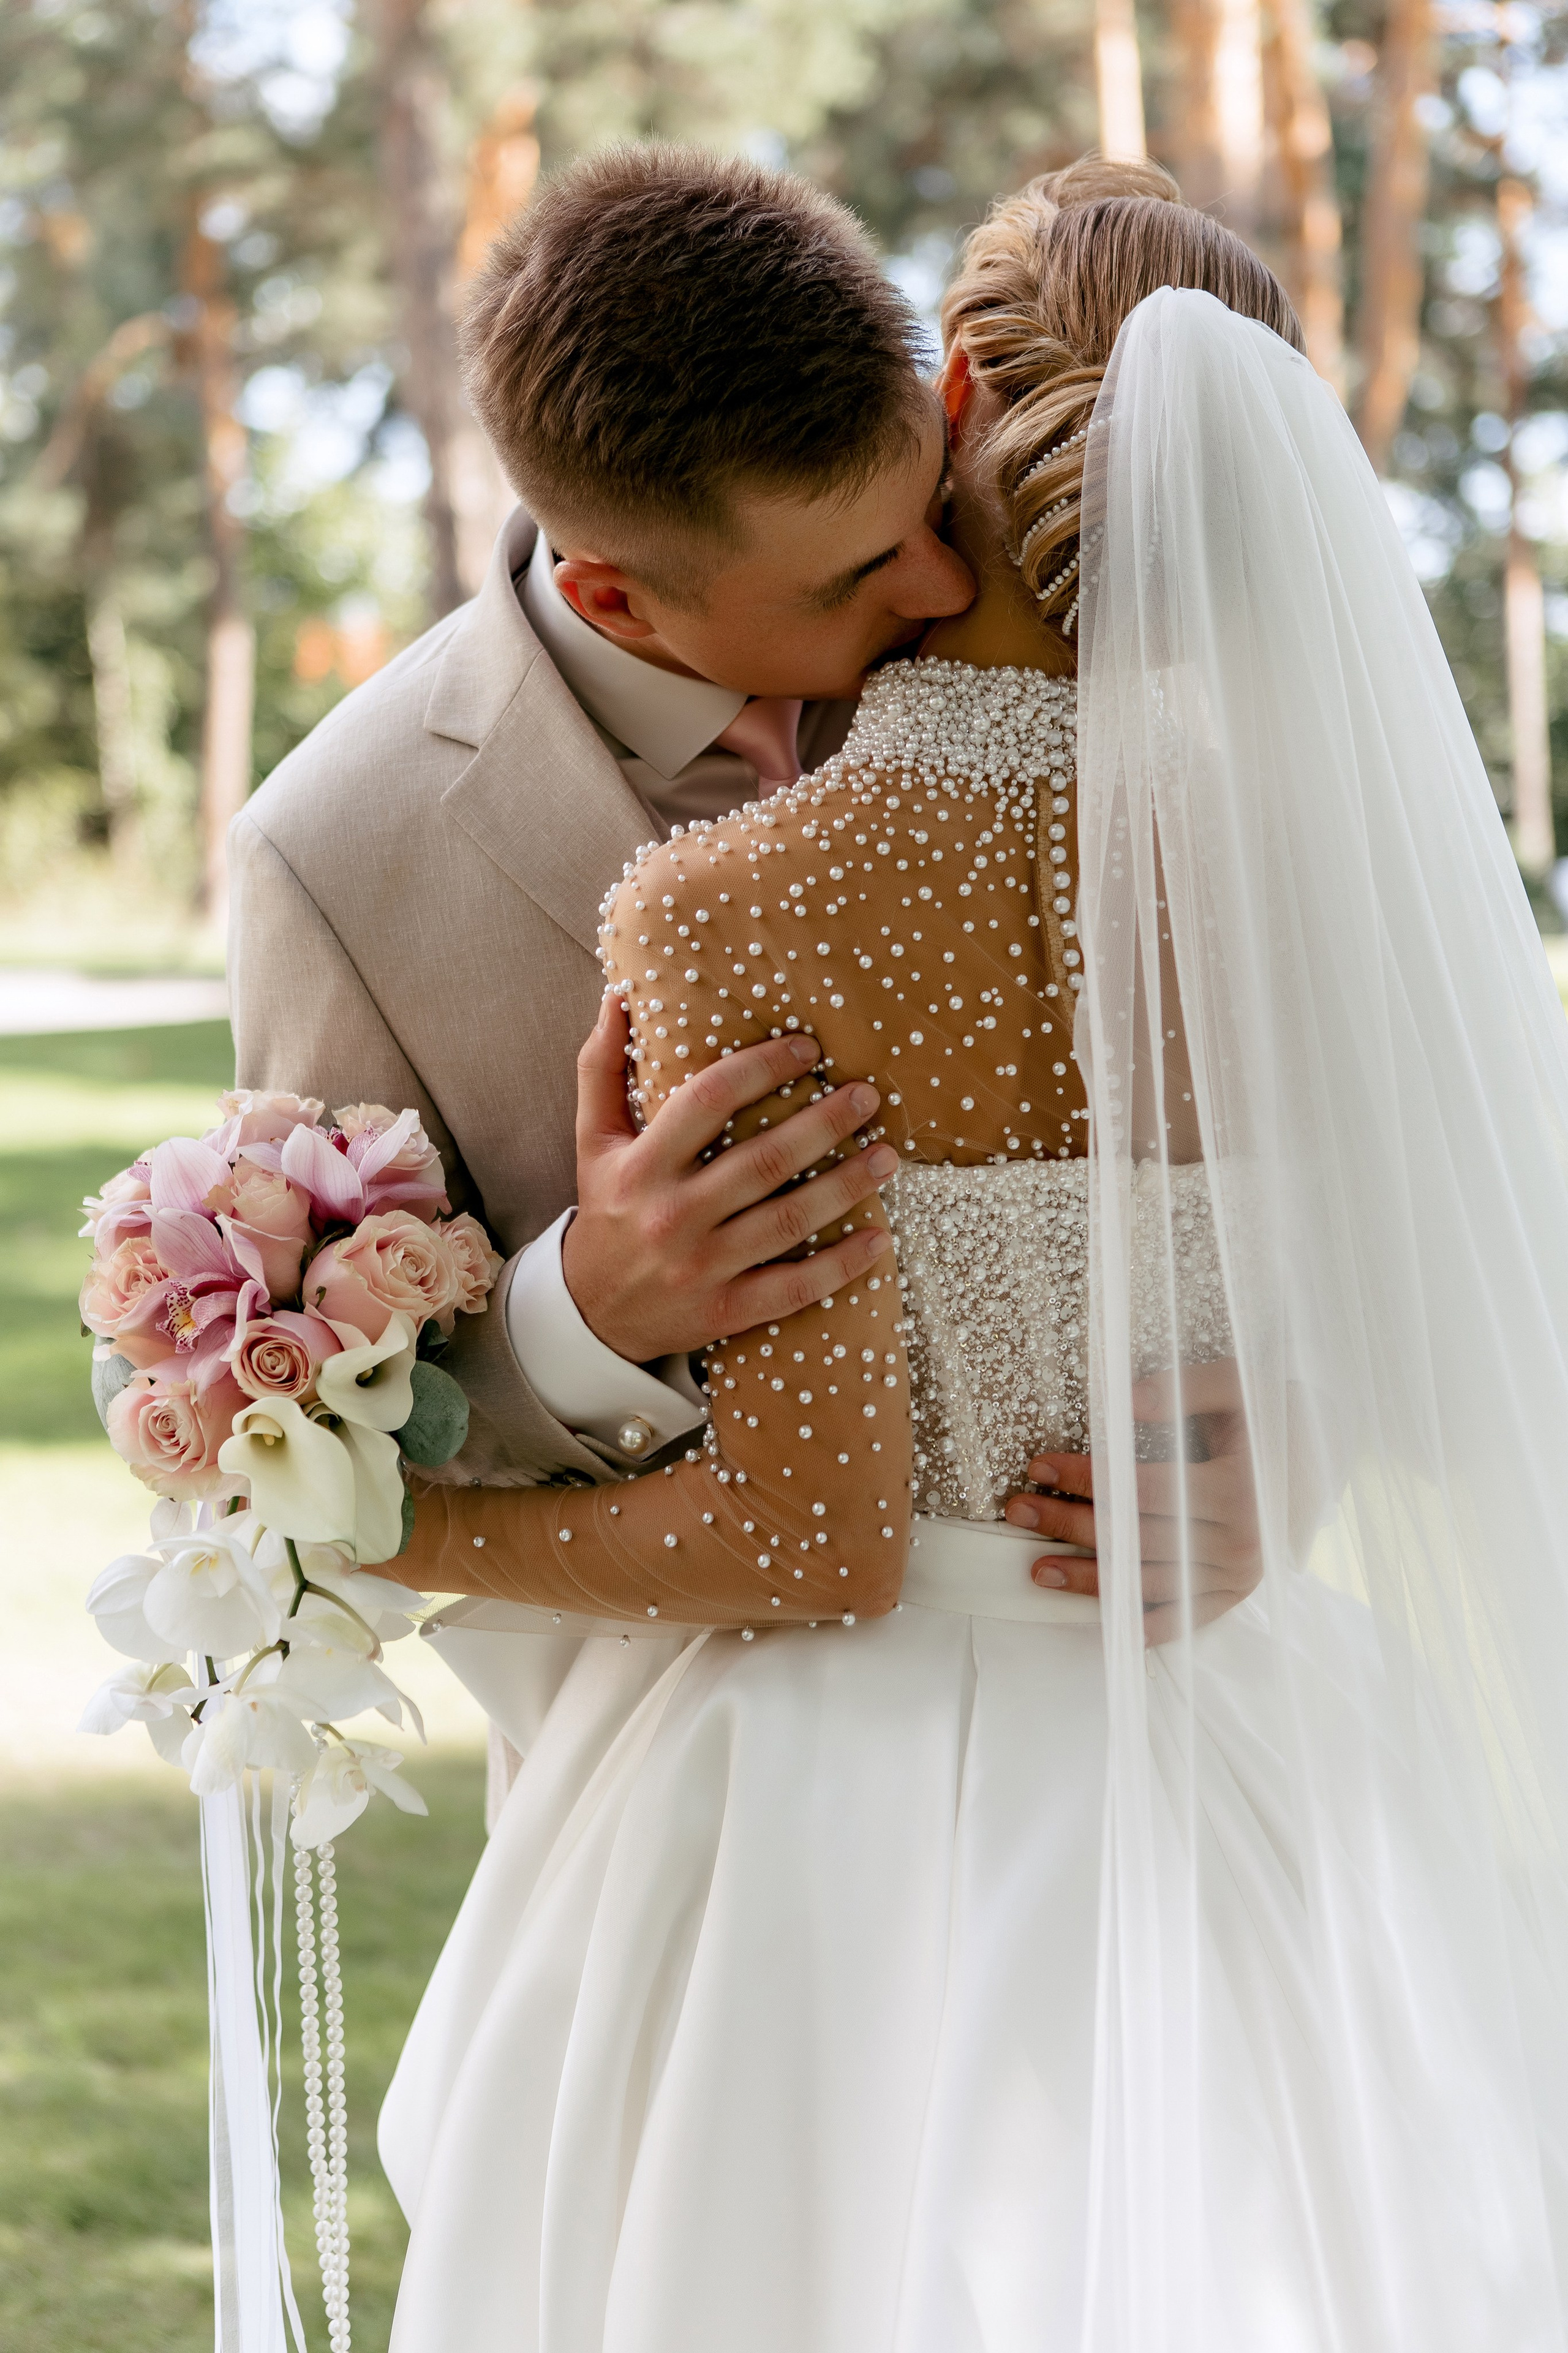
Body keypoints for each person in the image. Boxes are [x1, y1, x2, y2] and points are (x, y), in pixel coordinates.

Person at [377, 163, 1568, 2347]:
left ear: (957, 409)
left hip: (830, 1822)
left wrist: (380, 1524)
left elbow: (812, 1536)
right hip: (1231, 1740)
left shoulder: (736, 909)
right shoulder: (1316, 883)